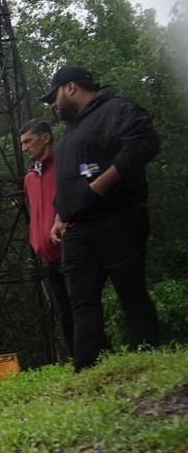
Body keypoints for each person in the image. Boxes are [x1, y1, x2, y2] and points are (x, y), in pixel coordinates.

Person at [43, 65, 160, 371]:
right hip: (78, 231)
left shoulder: (116, 109)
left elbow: (144, 144)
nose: (53, 106)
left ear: (70, 87)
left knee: (131, 294)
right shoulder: (71, 132)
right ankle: (87, 373)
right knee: (81, 305)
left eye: (54, 96)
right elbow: (66, 179)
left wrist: (98, 186)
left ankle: (149, 364)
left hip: (117, 217)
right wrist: (59, 214)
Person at [19, 118, 75, 354]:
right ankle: (77, 358)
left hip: (71, 247)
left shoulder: (63, 165)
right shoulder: (30, 177)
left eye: (29, 141)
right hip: (48, 255)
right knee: (63, 309)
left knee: (80, 305)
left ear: (46, 137)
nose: (25, 148)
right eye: (22, 143)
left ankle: (93, 355)